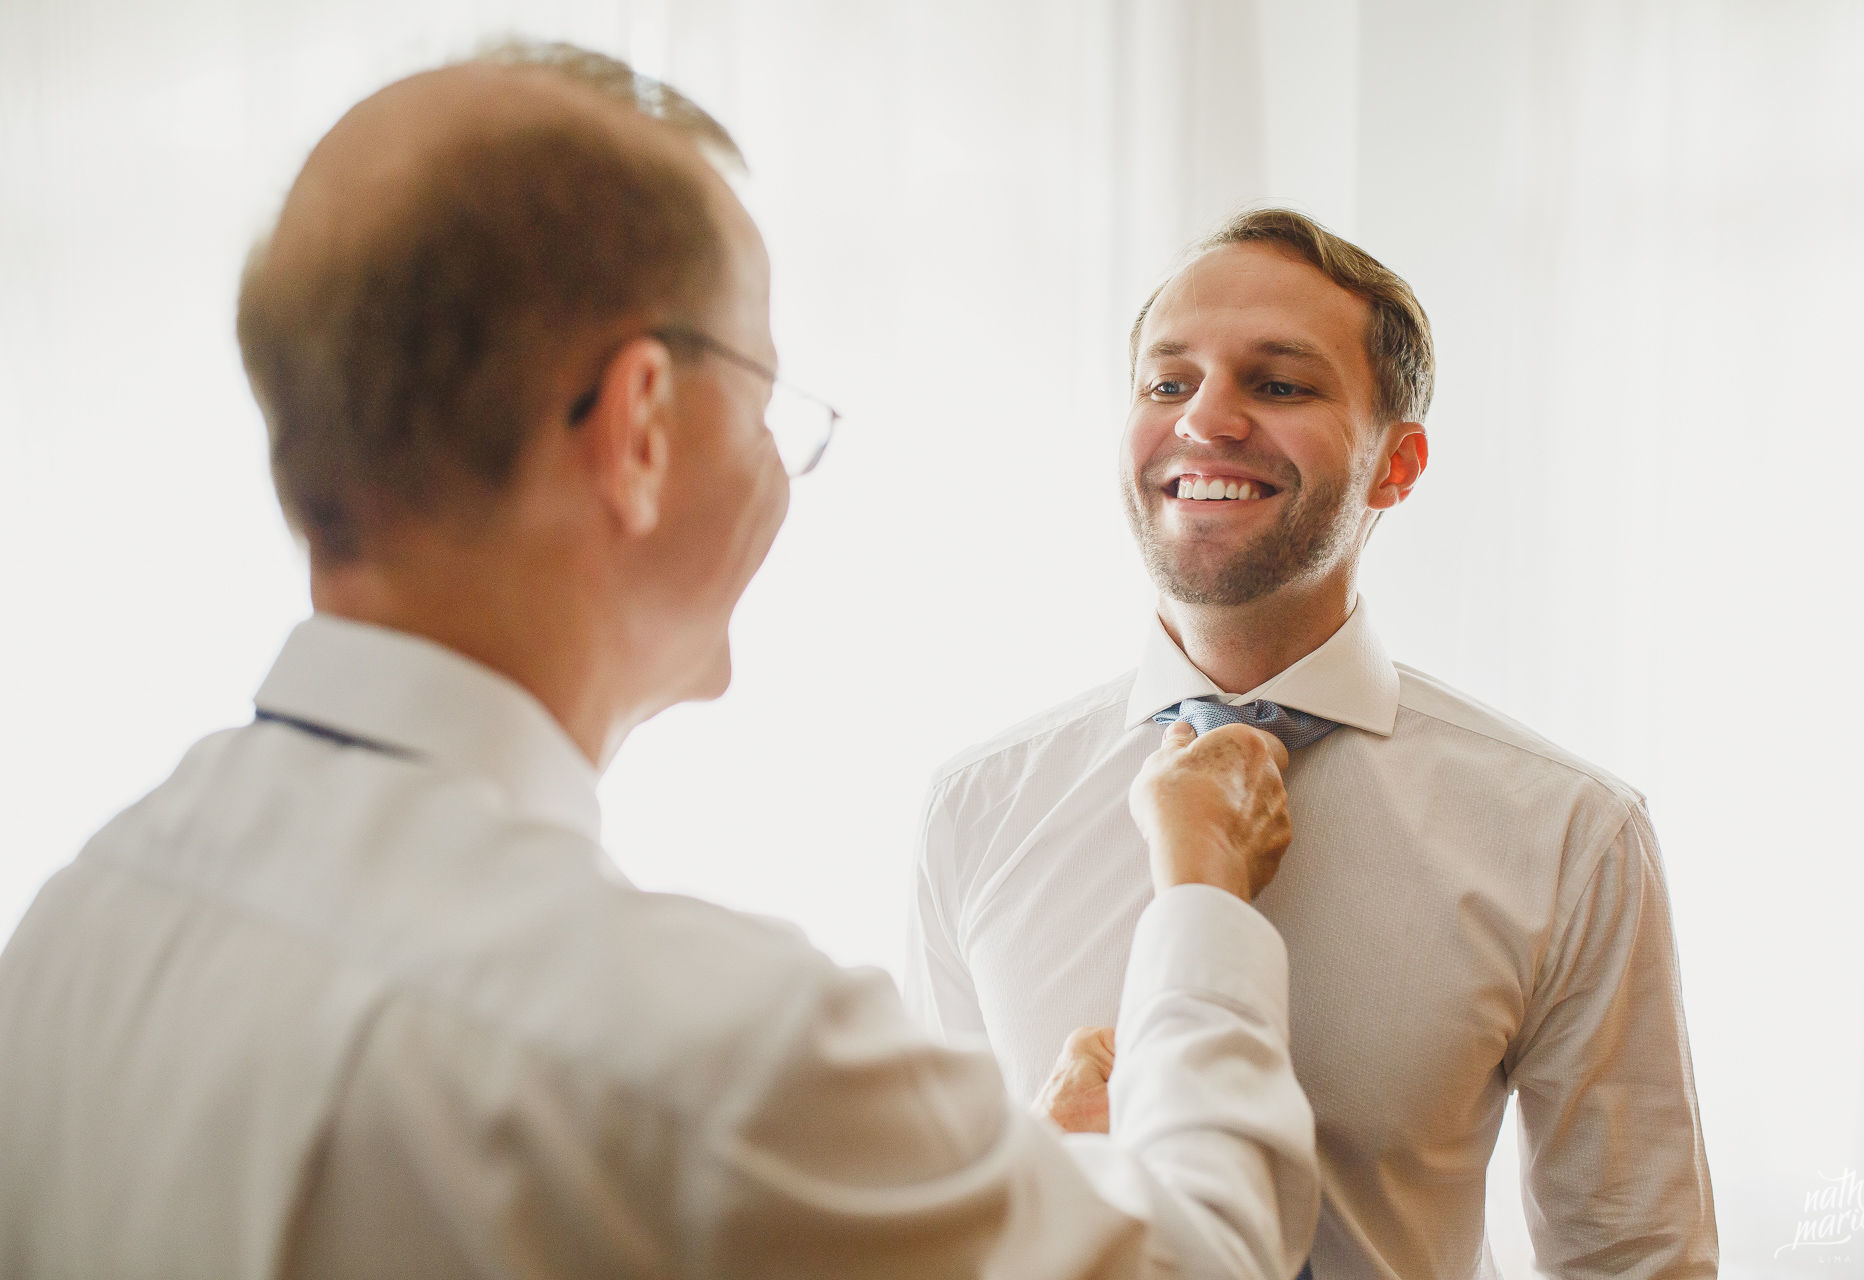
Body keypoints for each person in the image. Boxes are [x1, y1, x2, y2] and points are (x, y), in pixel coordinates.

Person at [0, 46, 1320, 1278]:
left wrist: (987, 1192)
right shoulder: (713, 1058)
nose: (780, 463)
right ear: (638, 427)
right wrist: (1202, 901)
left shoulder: (76, 922)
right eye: (762, 398)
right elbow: (1206, 1256)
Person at [906, 208, 1719, 1279]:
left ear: (1398, 465)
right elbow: (937, 1233)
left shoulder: (1571, 834)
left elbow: (1637, 1256)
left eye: (1280, 384)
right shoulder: (977, 812)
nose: (1206, 419)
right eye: (1167, 381)